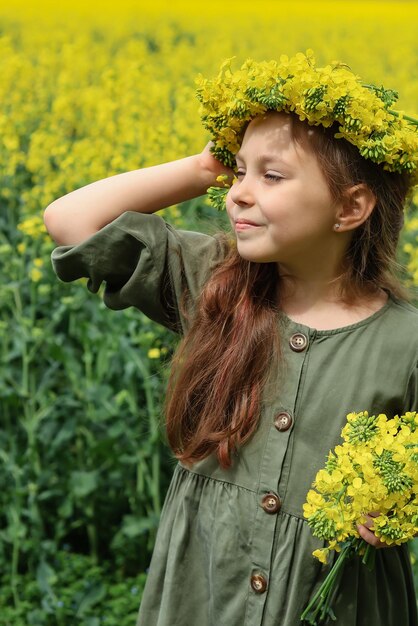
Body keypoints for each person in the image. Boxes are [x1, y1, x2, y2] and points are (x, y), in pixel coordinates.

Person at [44, 52, 418, 625]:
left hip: (335, 604)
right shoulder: (216, 282)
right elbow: (71, 221)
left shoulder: (405, 339)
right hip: (205, 589)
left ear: (351, 207)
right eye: (237, 171)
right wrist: (201, 168)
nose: (237, 193)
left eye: (270, 176)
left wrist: (402, 506)